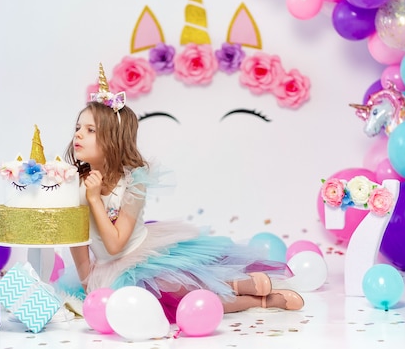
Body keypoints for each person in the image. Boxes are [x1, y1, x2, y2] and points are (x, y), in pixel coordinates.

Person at [65, 69, 304, 322]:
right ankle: (262, 302)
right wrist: (86, 283)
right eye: (78, 127)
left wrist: (94, 199)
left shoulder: (134, 180)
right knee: (176, 304)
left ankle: (237, 283)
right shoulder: (74, 186)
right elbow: (77, 240)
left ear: (114, 139)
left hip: (141, 254)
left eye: (90, 130)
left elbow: (115, 244)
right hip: (107, 269)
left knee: (176, 284)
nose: (78, 134)